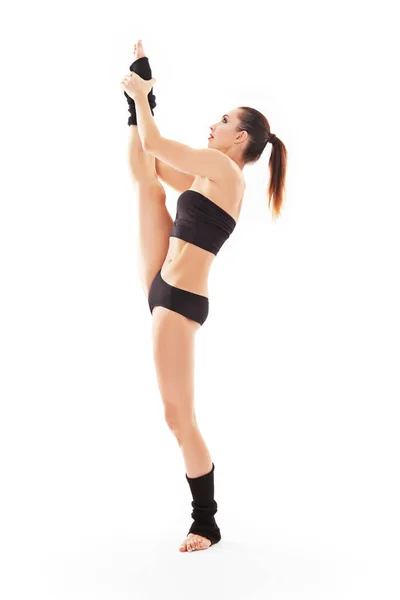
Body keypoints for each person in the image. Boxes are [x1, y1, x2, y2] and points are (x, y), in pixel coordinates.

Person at [121, 40, 288, 552]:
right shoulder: (207, 174)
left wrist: (147, 99)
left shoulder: (226, 171)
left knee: (178, 417)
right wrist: (135, 103)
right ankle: (128, 101)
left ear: (240, 138)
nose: (211, 125)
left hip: (179, 302)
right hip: (161, 279)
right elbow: (146, 165)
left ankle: (206, 521)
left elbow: (155, 144)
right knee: (147, 188)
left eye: (221, 121)